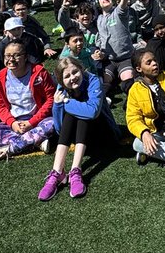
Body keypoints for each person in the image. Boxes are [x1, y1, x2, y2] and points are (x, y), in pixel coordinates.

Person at [38, 57, 111, 200]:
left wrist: (66, 103)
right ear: (61, 81)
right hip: (83, 141)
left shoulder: (93, 80)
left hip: (103, 135)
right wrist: (58, 105)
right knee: (72, 114)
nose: (73, 78)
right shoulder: (61, 90)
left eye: (75, 72)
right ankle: (58, 171)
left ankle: (75, 171)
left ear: (81, 70)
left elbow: (92, 112)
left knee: (82, 113)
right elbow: (59, 129)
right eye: (67, 76)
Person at [0, 41, 56, 165]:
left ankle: (7, 150)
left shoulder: (39, 72)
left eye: (16, 55)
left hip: (38, 120)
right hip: (14, 123)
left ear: (25, 57)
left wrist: (31, 122)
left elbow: (51, 99)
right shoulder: (1, 77)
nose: (11, 59)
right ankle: (34, 142)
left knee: (53, 124)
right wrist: (12, 123)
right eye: (7, 56)